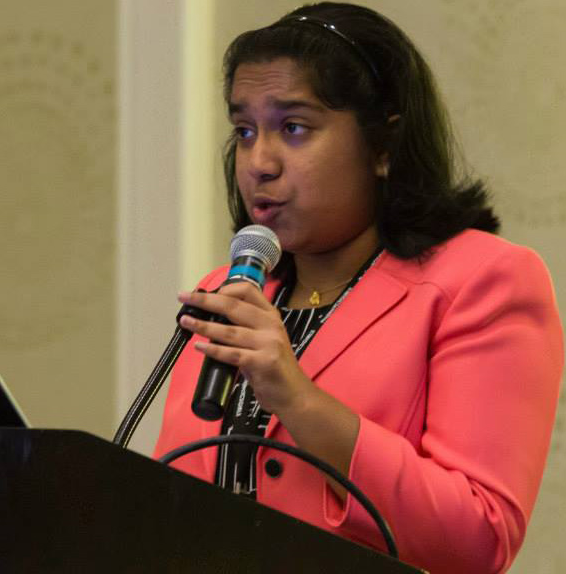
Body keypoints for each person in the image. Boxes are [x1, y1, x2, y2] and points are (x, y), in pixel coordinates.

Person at [152, 3, 563, 573]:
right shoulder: (227, 293)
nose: (259, 163)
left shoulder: (483, 281)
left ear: (383, 145)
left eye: (292, 128)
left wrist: (296, 398)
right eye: (244, 130)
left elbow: (478, 539)